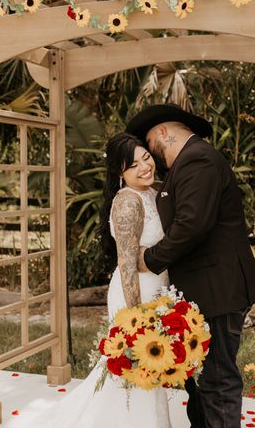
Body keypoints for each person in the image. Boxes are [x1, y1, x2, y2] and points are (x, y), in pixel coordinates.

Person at [126, 103, 255, 428]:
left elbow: (191, 225)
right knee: (200, 381)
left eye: (150, 145)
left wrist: (148, 258)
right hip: (206, 292)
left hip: (217, 291)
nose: (151, 155)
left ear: (163, 132)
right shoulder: (188, 164)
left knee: (216, 382)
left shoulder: (197, 159)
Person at [45, 132, 172, 427]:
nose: (145, 167)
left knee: (151, 367)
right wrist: (136, 318)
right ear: (120, 172)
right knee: (133, 364)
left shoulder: (154, 191)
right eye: (134, 165)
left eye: (146, 158)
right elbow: (127, 263)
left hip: (159, 290)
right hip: (135, 295)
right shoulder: (128, 202)